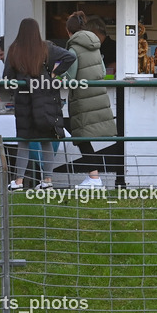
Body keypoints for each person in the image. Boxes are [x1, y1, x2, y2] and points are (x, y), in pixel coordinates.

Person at [3, 18, 75, 191]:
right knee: (47, 140)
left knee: (24, 142)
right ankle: (47, 181)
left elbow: (6, 77)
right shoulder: (46, 47)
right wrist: (54, 72)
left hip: (24, 100)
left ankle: (18, 182)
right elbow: (69, 57)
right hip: (44, 98)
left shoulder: (14, 50)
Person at [64, 12, 119, 189]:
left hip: (82, 99)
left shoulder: (73, 49)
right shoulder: (95, 47)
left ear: (68, 31)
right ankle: (94, 177)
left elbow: (70, 76)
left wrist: (57, 72)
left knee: (81, 137)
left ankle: (94, 178)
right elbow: (102, 72)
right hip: (97, 97)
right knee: (84, 138)